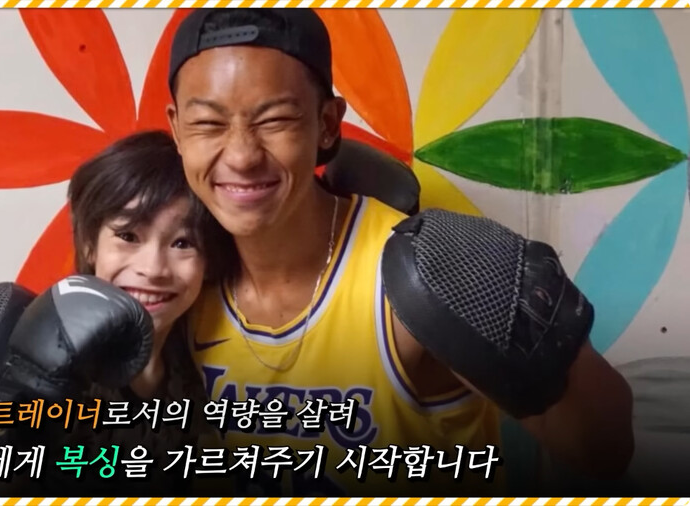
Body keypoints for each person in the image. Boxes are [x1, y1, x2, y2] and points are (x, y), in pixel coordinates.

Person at [164, 8, 634, 496]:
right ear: (177, 130)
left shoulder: (413, 282)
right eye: (208, 124)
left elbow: (606, 449)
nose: (242, 155)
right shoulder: (183, 280)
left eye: (276, 120)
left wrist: (526, 321)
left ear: (327, 124)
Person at [4, 130, 234, 496]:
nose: (153, 269)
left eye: (183, 243)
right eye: (128, 236)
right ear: (89, 245)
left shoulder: (213, 364)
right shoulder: (35, 360)